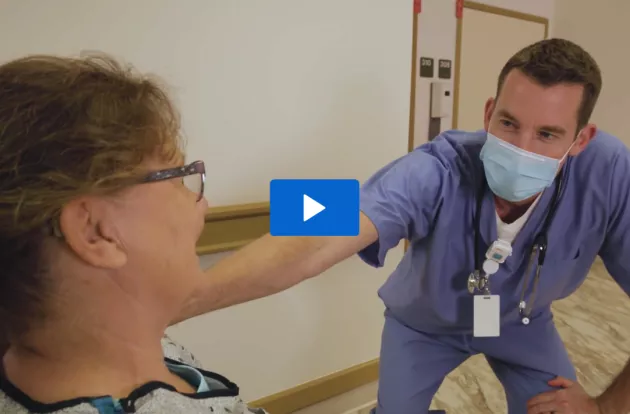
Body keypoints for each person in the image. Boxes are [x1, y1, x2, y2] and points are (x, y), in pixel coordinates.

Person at [177, 38, 630, 414]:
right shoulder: (438, 167)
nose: (521, 148)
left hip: (521, 321)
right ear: (489, 111)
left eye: (547, 134)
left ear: (580, 139)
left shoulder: (609, 174)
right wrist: (186, 297)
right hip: (423, 323)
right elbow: (320, 230)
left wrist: (606, 406)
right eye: (508, 123)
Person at [0, 54, 267, 414]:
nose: (202, 204)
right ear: (96, 232)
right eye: (178, 177)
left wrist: (356, 203)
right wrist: (362, 203)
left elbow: (310, 240)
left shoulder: (96, 347)